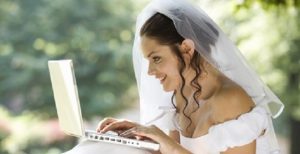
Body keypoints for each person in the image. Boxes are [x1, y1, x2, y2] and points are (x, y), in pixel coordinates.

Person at [65, 0, 284, 153]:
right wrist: (139, 135)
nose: (150, 71)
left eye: (156, 58)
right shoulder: (183, 93)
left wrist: (162, 140)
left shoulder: (231, 100)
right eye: (147, 60)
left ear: (187, 49)